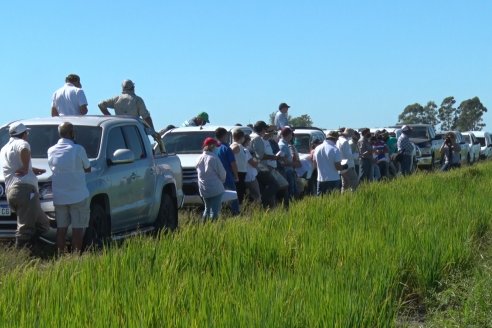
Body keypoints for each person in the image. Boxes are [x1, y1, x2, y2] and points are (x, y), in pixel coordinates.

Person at [0, 123, 49, 248]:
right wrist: (27, 168)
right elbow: (24, 149)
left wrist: (32, 169)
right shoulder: (22, 143)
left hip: (11, 190)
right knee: (25, 228)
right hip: (24, 191)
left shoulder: (5, 148)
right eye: (27, 133)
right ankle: (21, 255)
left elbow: (14, 165)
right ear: (23, 134)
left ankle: (32, 248)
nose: (27, 135)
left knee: (43, 224)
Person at [47, 122, 92, 254]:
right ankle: (76, 257)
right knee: (78, 229)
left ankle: (61, 256)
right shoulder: (78, 149)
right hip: (77, 195)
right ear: (71, 133)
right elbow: (87, 168)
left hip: (60, 196)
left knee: (61, 229)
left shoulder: (51, 150)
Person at [249, 121, 281, 208]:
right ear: (262, 129)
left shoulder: (252, 137)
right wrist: (273, 157)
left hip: (255, 168)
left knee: (263, 188)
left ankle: (264, 206)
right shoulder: (257, 138)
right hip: (261, 167)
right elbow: (260, 156)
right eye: (265, 129)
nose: (265, 131)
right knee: (274, 184)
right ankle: (263, 202)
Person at [196, 137, 226, 220]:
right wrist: (222, 181)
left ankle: (204, 227)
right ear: (212, 146)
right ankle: (213, 229)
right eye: (216, 146)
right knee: (215, 211)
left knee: (207, 209)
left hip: (203, 188)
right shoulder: (214, 158)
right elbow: (222, 173)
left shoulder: (198, 158)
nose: (217, 148)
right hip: (216, 188)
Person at [215, 127, 240, 215]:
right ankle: (235, 213)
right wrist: (236, 176)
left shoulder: (214, 148)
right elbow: (233, 163)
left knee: (219, 197)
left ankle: (221, 213)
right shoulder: (226, 148)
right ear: (224, 135)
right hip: (227, 176)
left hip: (216, 177)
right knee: (233, 196)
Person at [313, 131, 346, 195]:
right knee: (334, 201)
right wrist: (344, 166)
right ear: (335, 139)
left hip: (320, 179)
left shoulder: (317, 148)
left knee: (322, 201)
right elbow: (338, 167)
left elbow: (314, 164)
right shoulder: (335, 149)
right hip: (333, 179)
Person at [277, 127, 297, 199]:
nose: (292, 135)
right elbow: (281, 161)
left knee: (293, 191)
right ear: (288, 134)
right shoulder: (282, 145)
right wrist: (293, 163)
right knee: (291, 192)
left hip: (289, 170)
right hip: (287, 171)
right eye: (291, 133)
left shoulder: (285, 144)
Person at [336, 128, 358, 192]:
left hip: (342, 164)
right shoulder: (345, 142)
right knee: (354, 181)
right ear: (349, 135)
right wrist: (356, 155)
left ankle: (343, 197)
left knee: (345, 183)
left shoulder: (338, 140)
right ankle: (353, 195)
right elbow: (347, 155)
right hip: (348, 165)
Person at [242, 135, 261, 203]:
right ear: (246, 141)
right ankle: (257, 211)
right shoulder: (245, 150)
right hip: (251, 177)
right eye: (248, 141)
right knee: (257, 196)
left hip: (244, 177)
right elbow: (253, 163)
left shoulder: (240, 149)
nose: (249, 143)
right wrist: (257, 159)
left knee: (247, 198)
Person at [230, 129, 247, 204]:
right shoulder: (236, 146)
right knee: (239, 193)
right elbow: (230, 156)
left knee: (240, 192)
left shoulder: (238, 146)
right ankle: (238, 209)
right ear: (242, 137)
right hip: (238, 172)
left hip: (240, 172)